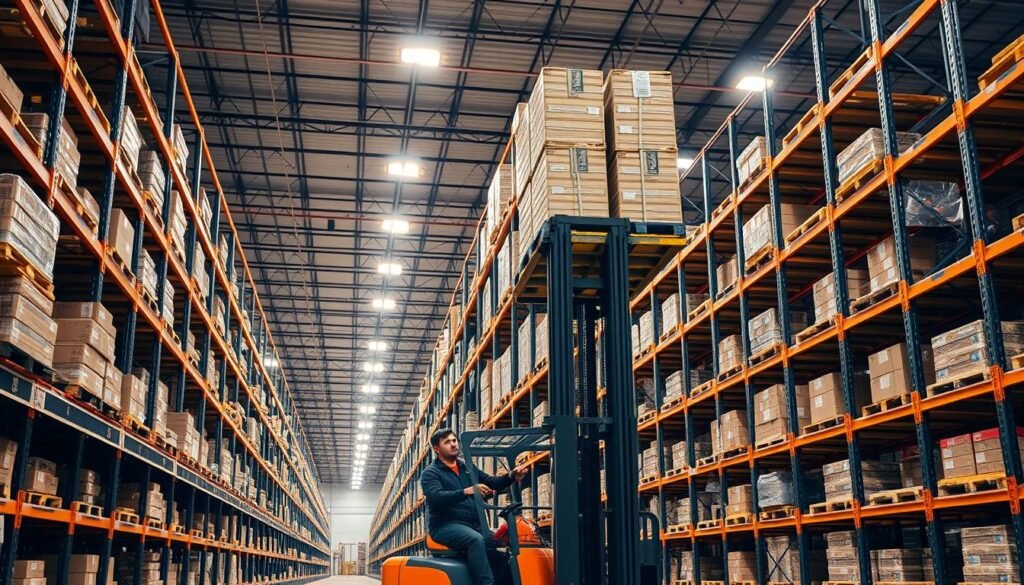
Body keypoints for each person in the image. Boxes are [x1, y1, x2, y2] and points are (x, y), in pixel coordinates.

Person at [420, 428, 528, 585]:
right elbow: (436, 497)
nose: (453, 444)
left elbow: (493, 482)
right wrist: (466, 491)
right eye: (447, 442)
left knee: (501, 549)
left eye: (454, 440)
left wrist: (511, 475)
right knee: (475, 540)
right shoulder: (431, 473)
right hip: (445, 526)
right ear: (437, 449)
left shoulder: (467, 468)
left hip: (474, 525)